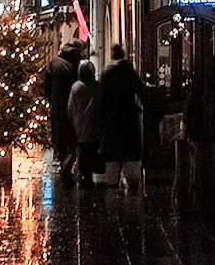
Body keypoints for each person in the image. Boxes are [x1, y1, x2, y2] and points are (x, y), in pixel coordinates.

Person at [97, 42, 148, 189]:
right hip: (128, 122)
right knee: (130, 163)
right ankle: (132, 201)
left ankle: (112, 199)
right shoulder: (129, 72)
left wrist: (100, 124)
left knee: (112, 166)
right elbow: (142, 93)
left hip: (111, 124)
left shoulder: (106, 74)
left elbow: (101, 101)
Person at [43, 39, 83, 174]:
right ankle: (67, 164)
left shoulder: (54, 62)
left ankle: (60, 157)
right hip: (71, 104)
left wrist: (50, 98)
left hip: (56, 103)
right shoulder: (75, 64)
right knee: (71, 134)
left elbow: (46, 84)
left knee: (58, 131)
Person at [68, 59, 102, 187]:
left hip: (79, 123)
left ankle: (83, 174)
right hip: (93, 123)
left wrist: (71, 120)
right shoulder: (97, 87)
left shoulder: (76, 87)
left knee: (82, 150)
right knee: (92, 149)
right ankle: (89, 175)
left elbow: (70, 107)